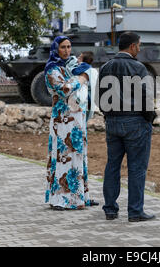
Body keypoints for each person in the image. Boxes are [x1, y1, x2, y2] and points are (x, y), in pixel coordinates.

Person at [98, 32, 156, 222]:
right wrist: (149, 118)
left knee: (112, 166)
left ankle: (110, 209)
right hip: (135, 123)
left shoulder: (105, 67)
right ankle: (135, 211)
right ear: (132, 46)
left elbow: (100, 99)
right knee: (137, 168)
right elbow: (145, 97)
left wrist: (109, 116)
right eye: (138, 45)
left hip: (113, 123)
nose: (139, 48)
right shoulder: (138, 68)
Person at [44, 36, 99, 210]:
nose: (67, 50)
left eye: (69, 47)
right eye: (63, 47)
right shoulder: (52, 69)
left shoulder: (71, 67)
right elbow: (64, 89)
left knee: (78, 156)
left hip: (76, 118)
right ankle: (60, 199)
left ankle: (80, 197)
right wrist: (83, 78)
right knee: (63, 157)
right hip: (62, 119)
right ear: (56, 49)